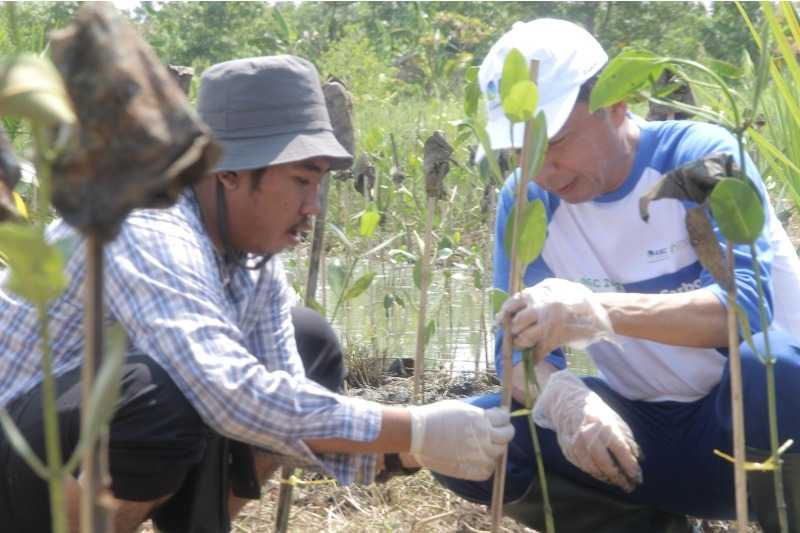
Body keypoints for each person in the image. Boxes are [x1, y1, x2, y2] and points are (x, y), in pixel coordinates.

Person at [0, 55, 514, 533]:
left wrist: (406, 454)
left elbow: (282, 404)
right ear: (227, 174)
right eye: (299, 181)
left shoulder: (252, 257)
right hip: (14, 444)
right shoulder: (146, 223)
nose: (314, 206)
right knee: (157, 395)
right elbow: (229, 395)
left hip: (61, 438)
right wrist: (414, 427)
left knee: (308, 341)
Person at [434, 18, 800, 533]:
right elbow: (515, 354)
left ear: (616, 104)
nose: (542, 169)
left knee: (773, 369)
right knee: (470, 435)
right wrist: (567, 403)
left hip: (760, 436)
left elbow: (748, 311)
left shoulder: (700, 159)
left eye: (555, 141)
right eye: (521, 152)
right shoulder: (526, 201)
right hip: (646, 442)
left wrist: (597, 312)